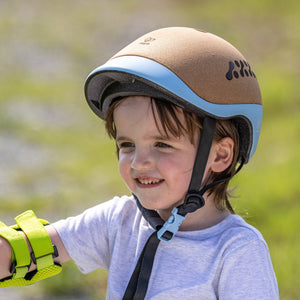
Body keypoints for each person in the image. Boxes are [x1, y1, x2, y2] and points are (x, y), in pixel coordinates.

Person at [0, 27, 278, 299]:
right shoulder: (120, 221)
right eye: (127, 145)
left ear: (220, 155)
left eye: (162, 144)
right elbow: (25, 249)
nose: (139, 162)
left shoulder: (237, 251)